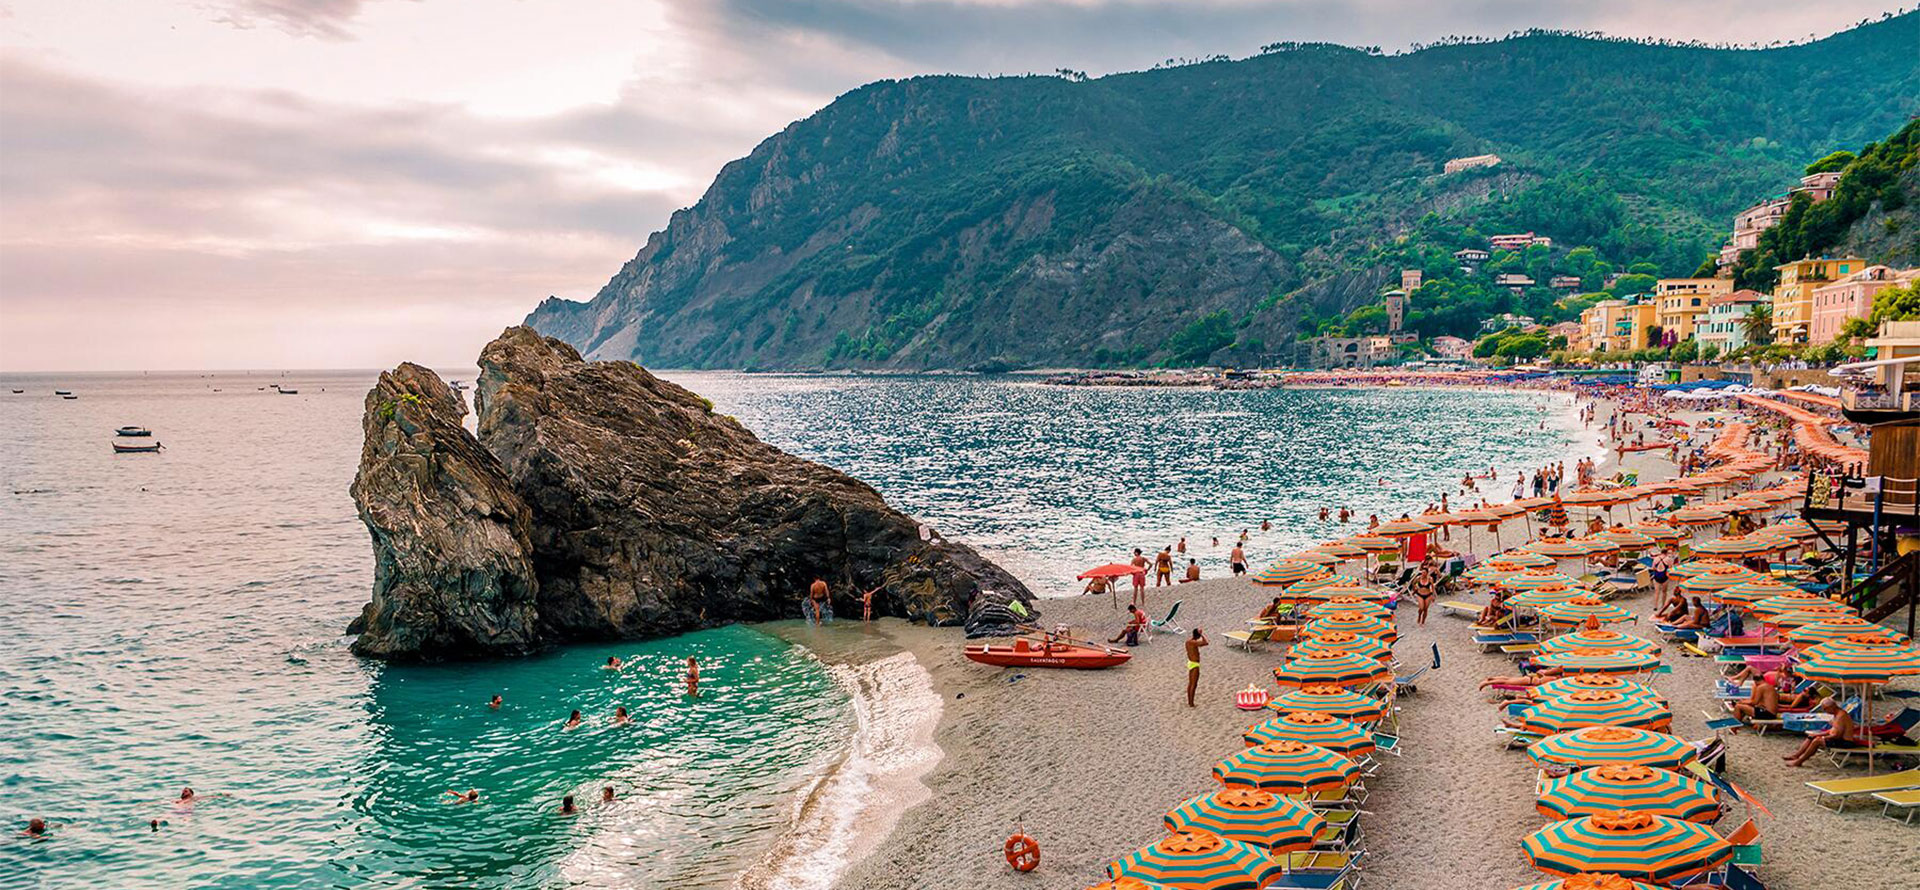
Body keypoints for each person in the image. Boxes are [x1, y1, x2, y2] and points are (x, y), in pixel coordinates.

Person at [1785, 699, 1864, 767]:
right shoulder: (1837, 714)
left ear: (1831, 707)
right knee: (1811, 736)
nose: (1825, 711)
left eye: (1825, 709)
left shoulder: (1841, 716)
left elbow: (1837, 735)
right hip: (1839, 739)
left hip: (1846, 742)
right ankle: (1796, 756)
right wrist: (1817, 735)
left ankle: (1799, 762)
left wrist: (1823, 738)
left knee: (1817, 741)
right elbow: (1832, 731)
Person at [1185, 628, 1208, 708]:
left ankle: (1189, 702)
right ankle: (1191, 703)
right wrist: (1202, 635)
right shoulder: (1194, 643)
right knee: (1194, 684)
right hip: (1195, 664)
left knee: (1190, 683)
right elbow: (1206, 642)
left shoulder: (1188, 642)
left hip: (1190, 662)